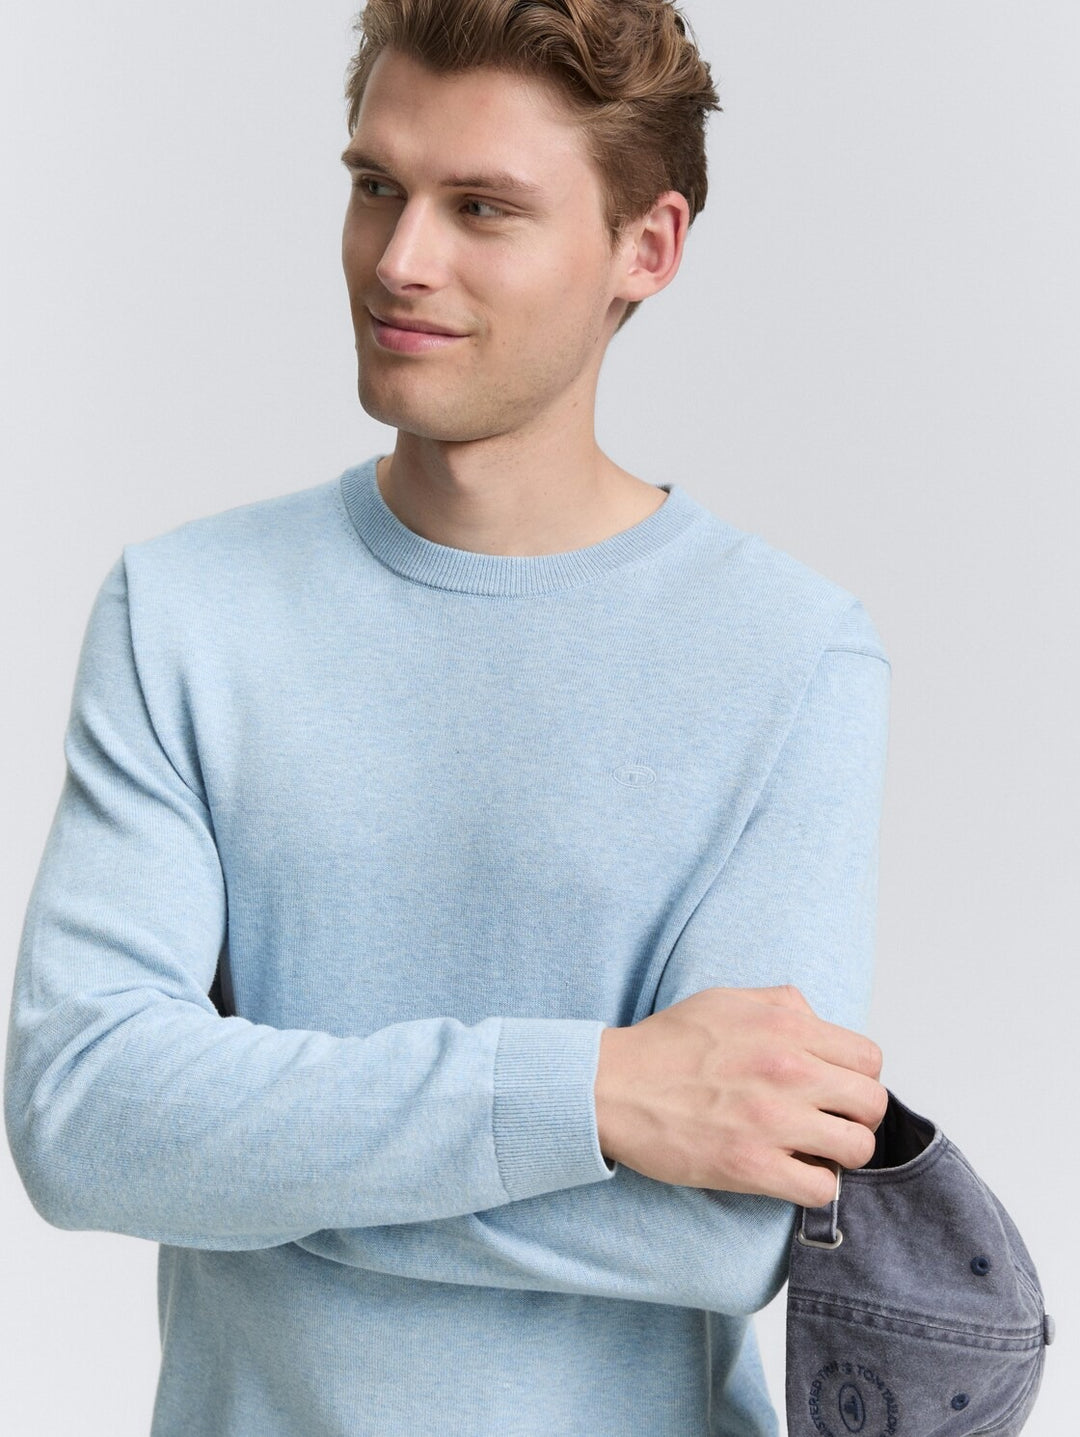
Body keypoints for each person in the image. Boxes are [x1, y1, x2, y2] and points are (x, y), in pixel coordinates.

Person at [4, 2, 891, 1433]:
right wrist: (591, 1097)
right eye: (377, 187)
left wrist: (252, 1170)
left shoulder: (791, 656)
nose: (399, 259)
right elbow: (84, 1117)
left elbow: (723, 1232)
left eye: (483, 207)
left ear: (647, 248)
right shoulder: (182, 612)